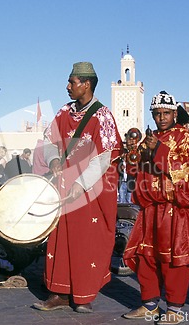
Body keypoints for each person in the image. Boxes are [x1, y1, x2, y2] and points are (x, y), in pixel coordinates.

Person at [32, 62, 122, 313]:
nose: (68, 86)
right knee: (59, 239)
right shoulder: (63, 112)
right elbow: (49, 140)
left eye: (72, 82)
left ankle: (83, 295)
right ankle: (59, 294)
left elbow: (105, 157)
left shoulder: (102, 116)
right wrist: (53, 160)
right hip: (62, 188)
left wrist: (80, 184)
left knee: (85, 241)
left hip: (90, 191)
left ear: (87, 84)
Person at [122, 91, 189, 324]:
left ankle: (174, 309)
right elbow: (133, 171)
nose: (161, 118)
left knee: (173, 259)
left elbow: (180, 169)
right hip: (151, 207)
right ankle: (149, 305)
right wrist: (133, 151)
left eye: (165, 113)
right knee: (146, 254)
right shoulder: (151, 137)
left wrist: (157, 149)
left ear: (174, 113)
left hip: (175, 208)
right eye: (156, 114)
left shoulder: (183, 137)